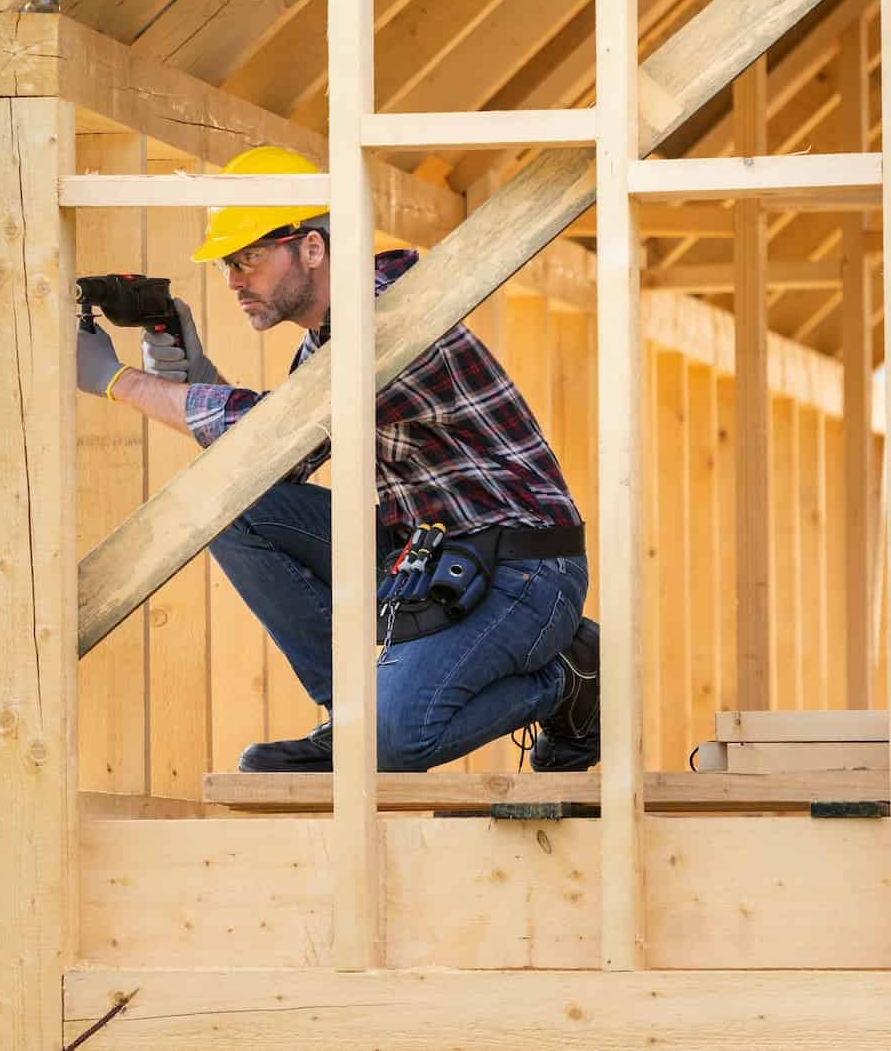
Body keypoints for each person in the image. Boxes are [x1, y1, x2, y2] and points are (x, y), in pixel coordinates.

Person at [75, 146, 599, 773]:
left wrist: (122, 382)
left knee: (394, 745)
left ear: (312, 248)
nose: (236, 281)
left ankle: (571, 680)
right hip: (433, 555)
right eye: (227, 267)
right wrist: (197, 374)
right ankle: (345, 715)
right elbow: (280, 463)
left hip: (524, 570)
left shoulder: (390, 317)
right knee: (225, 507)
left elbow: (270, 432)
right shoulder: (327, 339)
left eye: (248, 259)